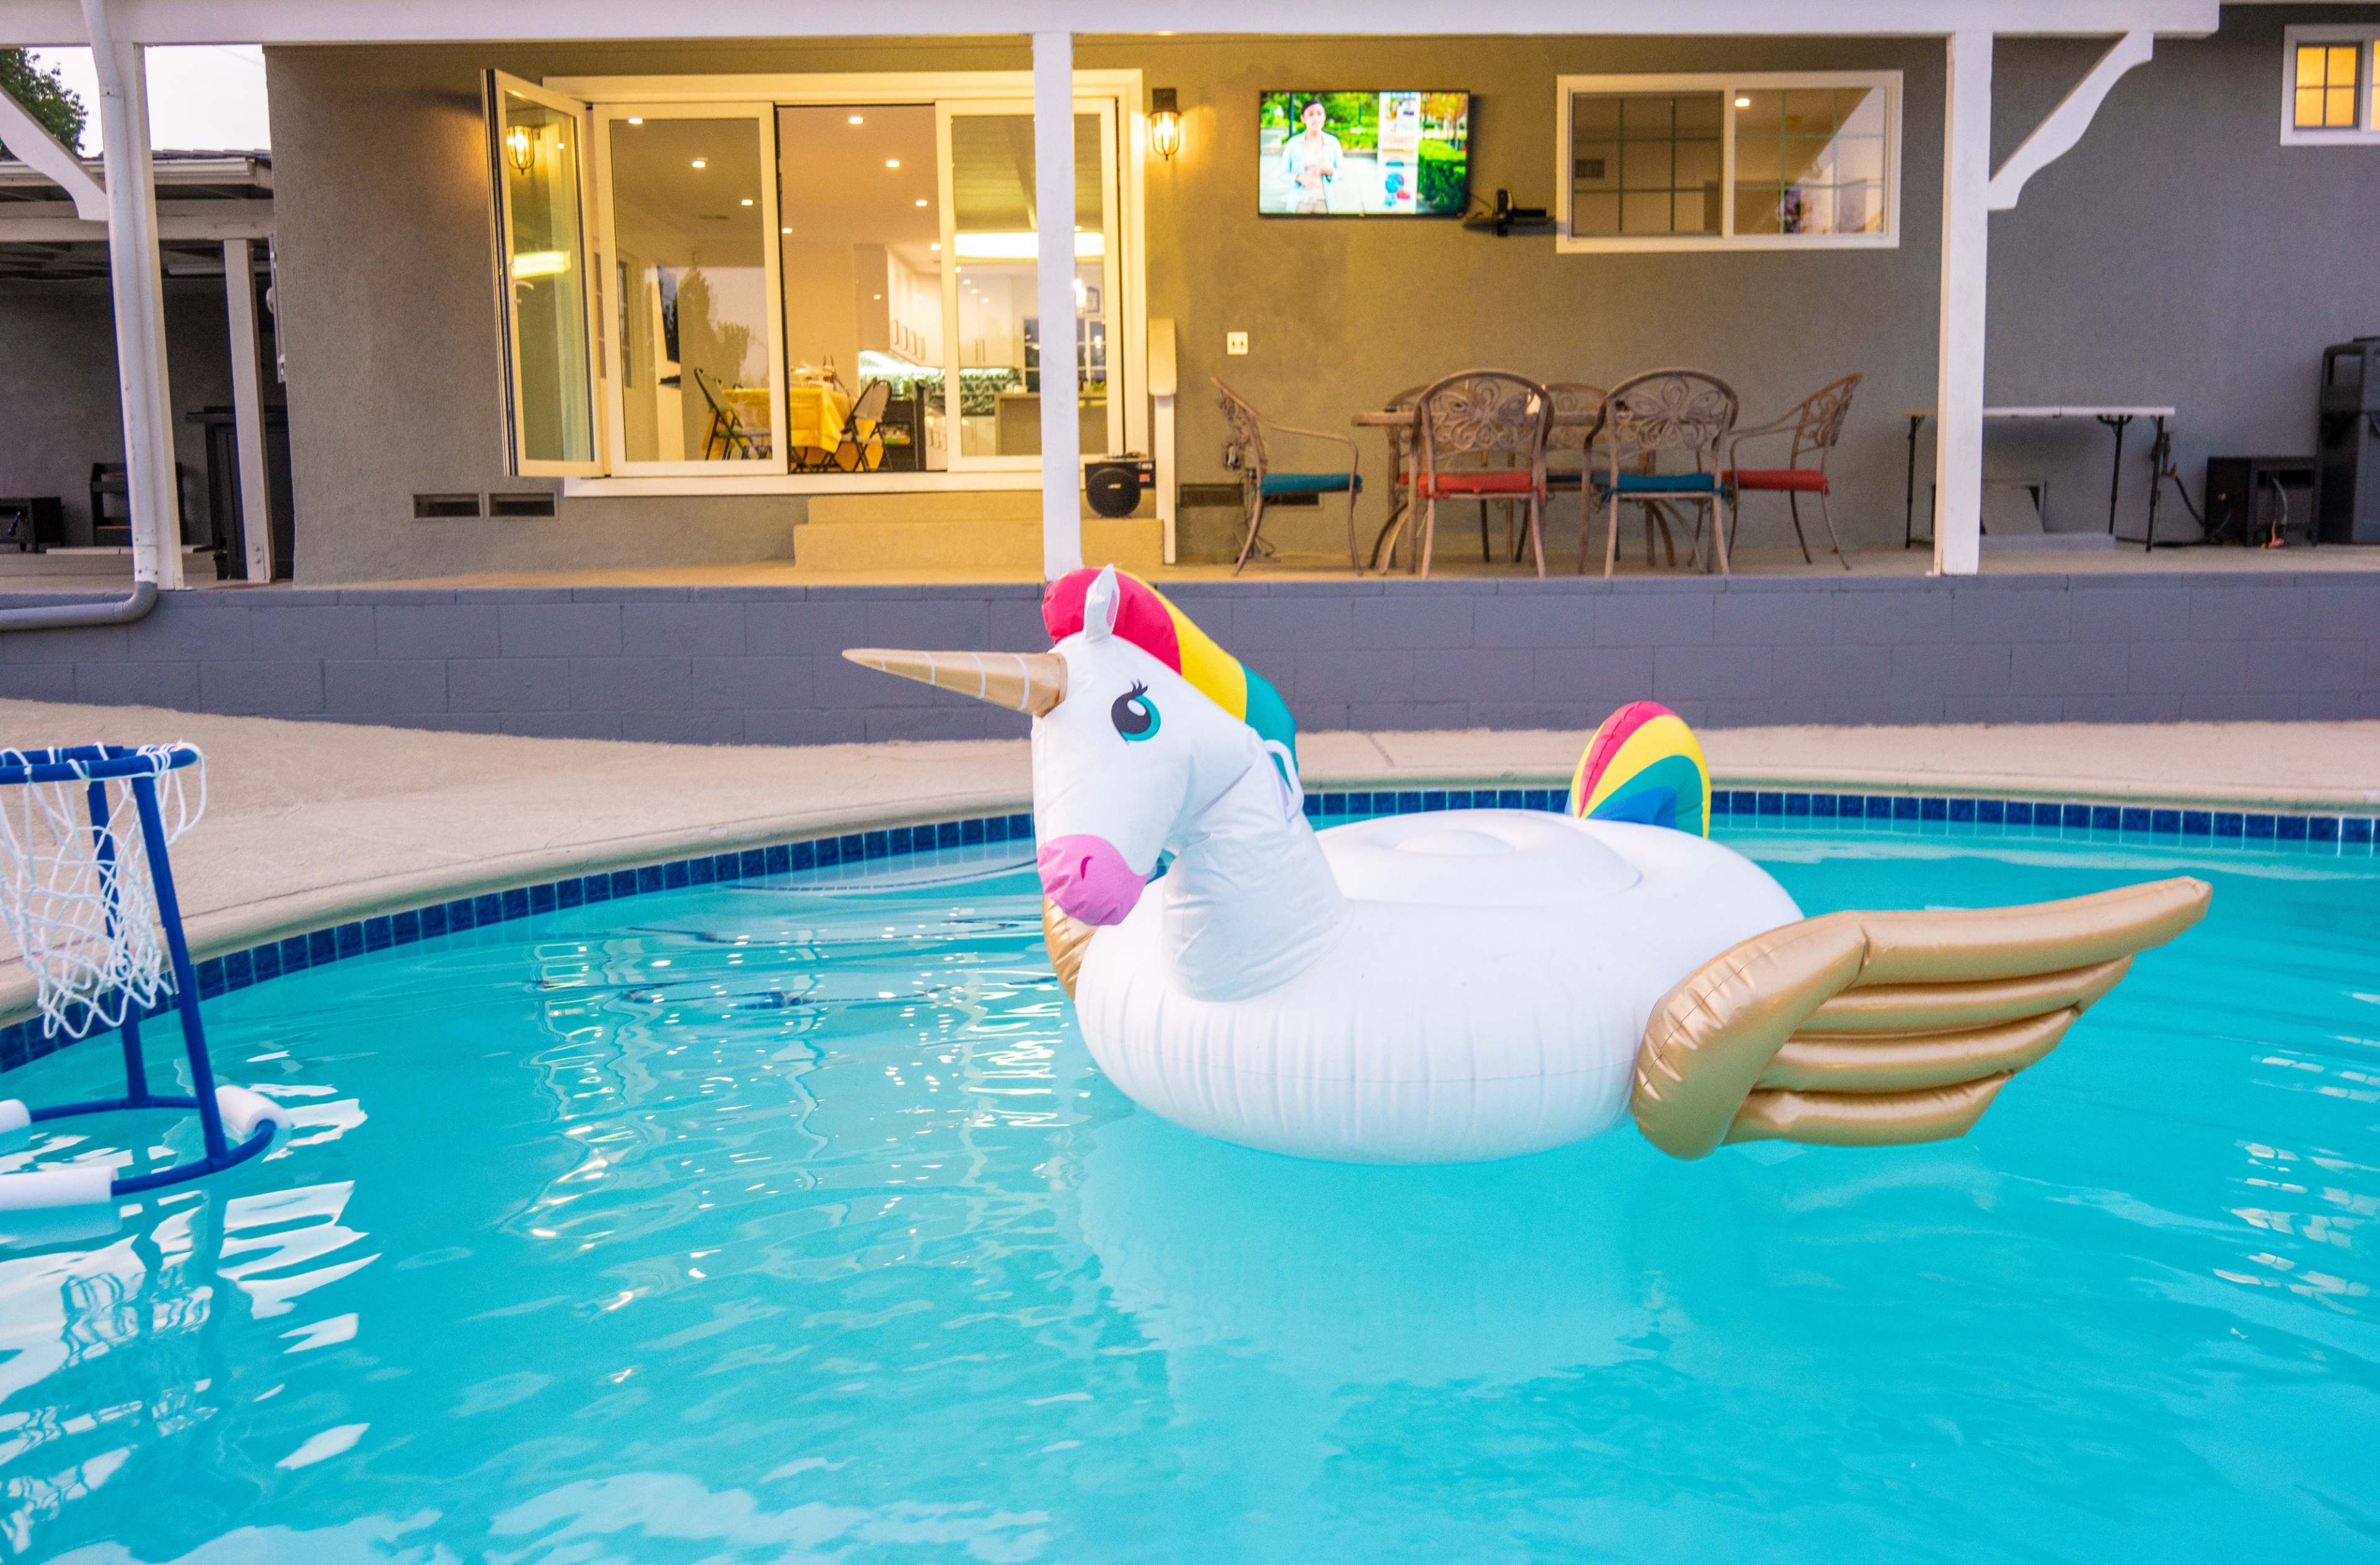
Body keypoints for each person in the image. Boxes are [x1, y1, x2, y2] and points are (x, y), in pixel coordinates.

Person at [1279, 97, 1341, 214]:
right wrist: (1299, 178)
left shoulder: (1333, 142)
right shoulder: (1293, 143)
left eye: (1319, 114)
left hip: (1324, 202)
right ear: (1303, 118)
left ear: (1324, 117)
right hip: (1300, 201)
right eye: (1311, 114)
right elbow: (1283, 175)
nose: (1316, 118)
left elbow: (1342, 173)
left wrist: (1329, 171)